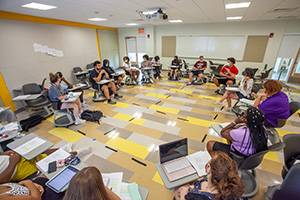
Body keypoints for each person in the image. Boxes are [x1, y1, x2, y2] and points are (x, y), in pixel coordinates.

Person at [0, 142, 91, 184]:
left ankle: (65, 151)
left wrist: (5, 153)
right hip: (17, 168)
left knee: (42, 151)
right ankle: (76, 153)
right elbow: (2, 180)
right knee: (51, 160)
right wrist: (13, 162)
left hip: (14, 158)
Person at [174, 151, 244, 200]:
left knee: (176, 187)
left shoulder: (198, 197)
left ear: (209, 169)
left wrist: (183, 192)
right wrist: (191, 187)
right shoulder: (230, 189)